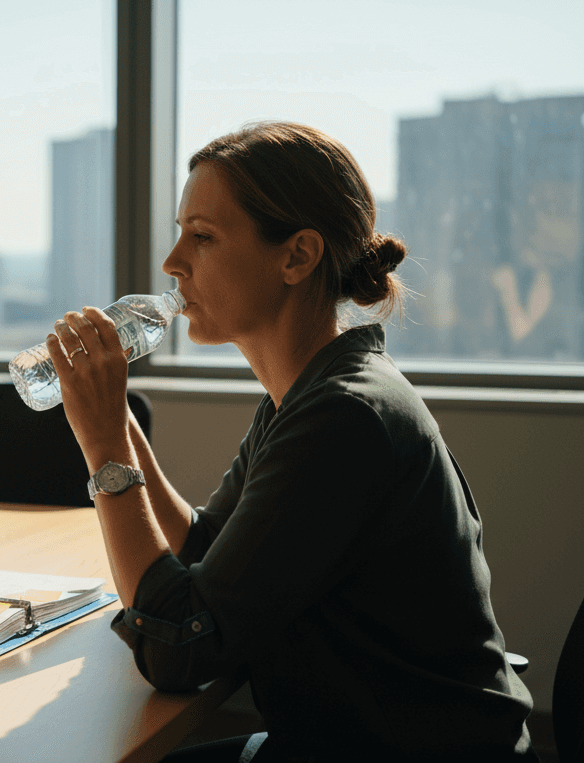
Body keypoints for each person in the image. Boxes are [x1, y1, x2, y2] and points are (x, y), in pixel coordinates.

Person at [46, 121, 537, 762]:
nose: (172, 263)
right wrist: (120, 428)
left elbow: (178, 648)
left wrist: (106, 448)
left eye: (202, 237)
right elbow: (205, 547)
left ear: (296, 257)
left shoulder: (344, 417)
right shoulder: (306, 396)